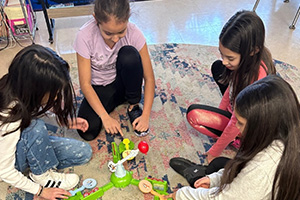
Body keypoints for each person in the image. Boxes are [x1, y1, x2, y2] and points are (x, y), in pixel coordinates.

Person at [169, 10, 277, 183]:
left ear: (252, 51)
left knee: (194, 115)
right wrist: (220, 113)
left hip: (247, 126)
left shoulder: (257, 79)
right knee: (219, 68)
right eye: (222, 53)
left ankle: (232, 139)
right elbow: (232, 89)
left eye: (230, 57)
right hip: (240, 111)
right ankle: (225, 129)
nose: (225, 60)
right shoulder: (249, 61)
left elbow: (237, 121)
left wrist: (214, 150)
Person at [165, 75, 300, 200]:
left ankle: (197, 176)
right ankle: (200, 175)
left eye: (240, 123)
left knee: (210, 180)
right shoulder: (284, 135)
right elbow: (242, 167)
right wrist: (214, 180)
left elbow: (224, 198)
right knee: (218, 165)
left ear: (261, 126)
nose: (236, 126)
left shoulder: (263, 167)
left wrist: (181, 194)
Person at [0, 44, 92, 199]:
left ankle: (37, 163)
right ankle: (41, 176)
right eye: (54, 93)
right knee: (35, 127)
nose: (56, 97)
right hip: (9, 161)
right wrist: (40, 191)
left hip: (22, 143)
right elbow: (4, 170)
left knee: (83, 152)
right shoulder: (10, 116)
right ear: (35, 90)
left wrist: (64, 122)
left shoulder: (20, 89)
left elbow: (34, 112)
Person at [73, 0, 155, 141]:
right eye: (108, 33)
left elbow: (149, 78)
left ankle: (133, 104)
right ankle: (112, 103)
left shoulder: (134, 33)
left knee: (129, 55)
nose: (115, 39)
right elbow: (85, 84)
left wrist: (145, 115)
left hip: (123, 83)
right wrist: (104, 116)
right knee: (87, 131)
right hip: (100, 88)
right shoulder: (84, 36)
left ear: (127, 19)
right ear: (96, 19)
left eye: (121, 32)